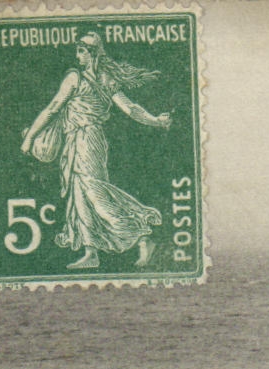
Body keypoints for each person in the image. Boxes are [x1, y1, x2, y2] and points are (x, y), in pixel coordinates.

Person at [21, 32, 172, 270]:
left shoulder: (77, 78)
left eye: (81, 51)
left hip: (86, 139)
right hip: (80, 140)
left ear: (91, 53)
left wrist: (29, 137)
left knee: (94, 192)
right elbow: (131, 108)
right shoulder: (104, 78)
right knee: (79, 195)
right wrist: (156, 120)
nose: (77, 55)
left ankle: (142, 236)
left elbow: (53, 109)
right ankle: (91, 252)